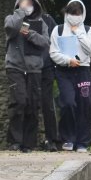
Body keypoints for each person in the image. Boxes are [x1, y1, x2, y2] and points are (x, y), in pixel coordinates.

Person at [3, 0, 50, 152]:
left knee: (33, 104)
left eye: (30, 3)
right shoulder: (11, 18)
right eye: (25, 2)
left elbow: (45, 42)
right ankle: (14, 141)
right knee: (19, 101)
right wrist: (20, 12)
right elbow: (10, 28)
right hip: (15, 67)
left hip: (34, 69)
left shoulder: (41, 23)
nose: (28, 5)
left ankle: (29, 143)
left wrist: (30, 34)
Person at [49, 0, 91, 153]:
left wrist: (78, 33)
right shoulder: (58, 30)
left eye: (78, 13)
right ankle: (68, 138)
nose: (74, 17)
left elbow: (90, 49)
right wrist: (68, 60)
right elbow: (53, 53)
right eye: (71, 13)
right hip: (64, 71)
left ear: (82, 14)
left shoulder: (88, 30)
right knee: (68, 102)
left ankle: (83, 141)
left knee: (85, 104)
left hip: (83, 70)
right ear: (66, 13)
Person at [38, 8, 60, 152]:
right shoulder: (19, 19)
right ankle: (25, 141)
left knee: (48, 103)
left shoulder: (47, 19)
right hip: (26, 67)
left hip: (46, 66)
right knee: (27, 102)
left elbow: (56, 40)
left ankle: (51, 139)